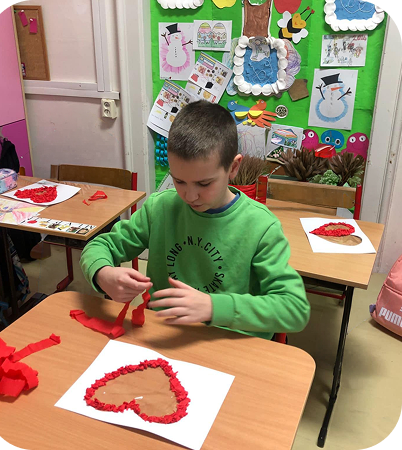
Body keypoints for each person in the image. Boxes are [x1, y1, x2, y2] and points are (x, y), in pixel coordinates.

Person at [80, 100, 310, 340]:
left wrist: (213, 307)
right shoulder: (161, 208)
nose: (190, 196)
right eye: (179, 181)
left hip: (231, 344)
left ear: (233, 168)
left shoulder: (261, 226)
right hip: (165, 334)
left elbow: (294, 309)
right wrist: (103, 273)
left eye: (204, 183)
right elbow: (99, 245)